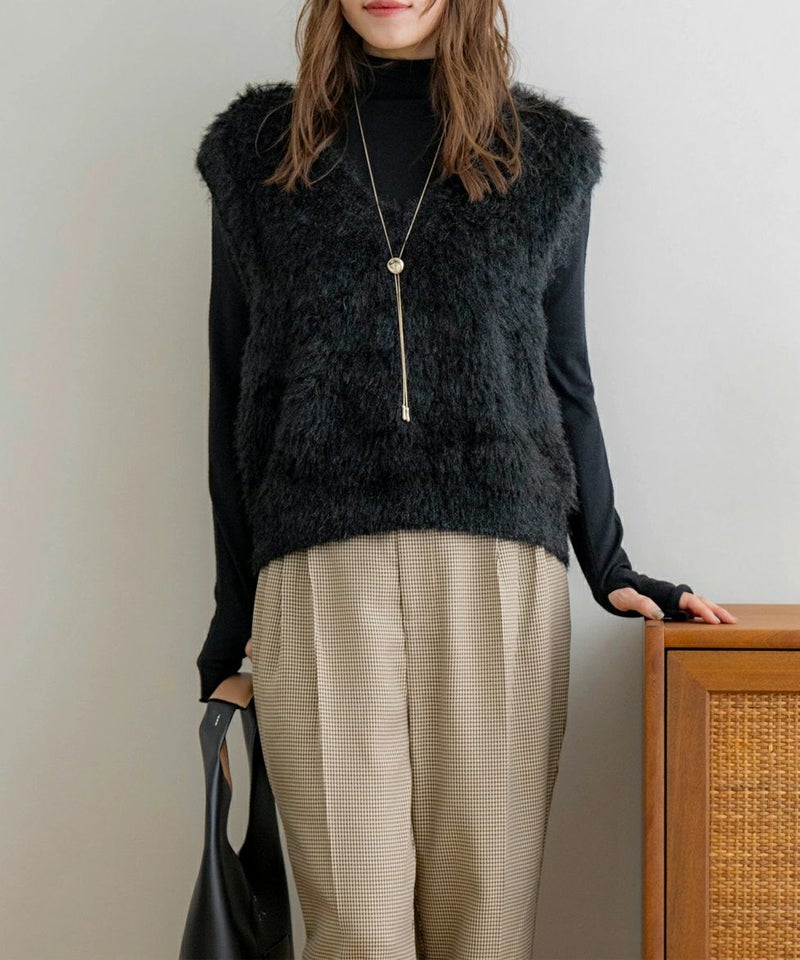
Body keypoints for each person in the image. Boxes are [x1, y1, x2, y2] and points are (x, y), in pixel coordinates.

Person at [194, 1, 737, 956]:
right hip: (319, 579)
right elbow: (235, 391)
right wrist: (231, 612)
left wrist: (609, 562)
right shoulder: (255, 155)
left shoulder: (547, 158)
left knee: (484, 927)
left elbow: (564, 376)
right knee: (355, 929)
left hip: (500, 574)